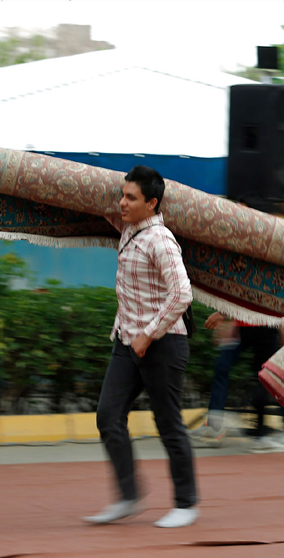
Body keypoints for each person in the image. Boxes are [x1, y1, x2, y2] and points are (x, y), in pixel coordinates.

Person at [83, 166, 199, 528]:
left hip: (163, 343)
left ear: (151, 203)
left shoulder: (160, 240)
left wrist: (149, 334)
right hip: (127, 341)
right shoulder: (128, 230)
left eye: (131, 198)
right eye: (122, 195)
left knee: (168, 423)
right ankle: (128, 496)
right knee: (108, 416)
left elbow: (181, 293)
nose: (122, 203)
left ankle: (186, 504)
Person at [189, 313, 284, 452]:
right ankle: (214, 426)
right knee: (222, 366)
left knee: (269, 376)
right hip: (243, 325)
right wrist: (231, 321)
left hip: (265, 324)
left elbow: (269, 299)